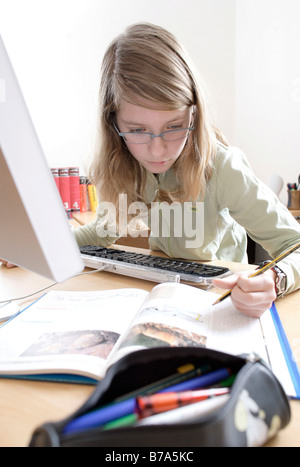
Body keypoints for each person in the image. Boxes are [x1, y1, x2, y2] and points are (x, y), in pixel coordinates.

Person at [2, 23, 300, 317]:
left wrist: (276, 279)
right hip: (159, 296)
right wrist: (39, 249)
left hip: (219, 304)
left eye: (174, 127)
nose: (158, 151)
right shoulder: (126, 166)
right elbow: (103, 232)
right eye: (138, 130)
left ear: (194, 113)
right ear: (113, 123)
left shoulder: (222, 167)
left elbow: (294, 244)